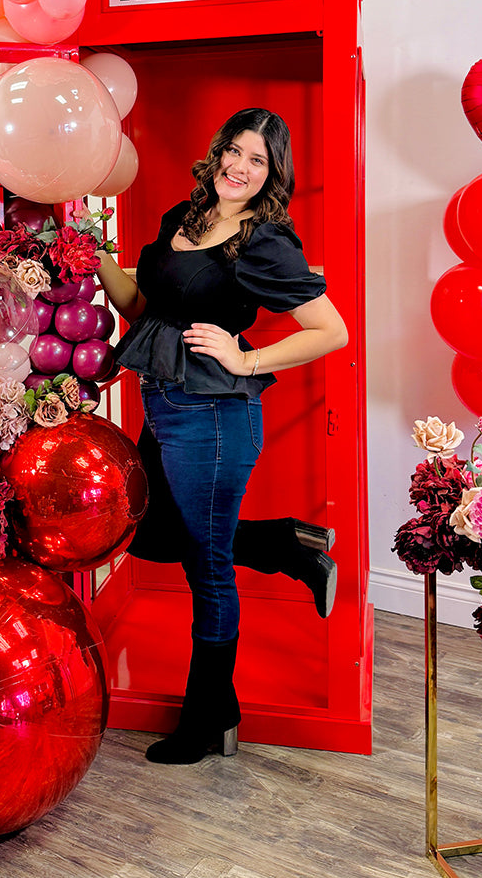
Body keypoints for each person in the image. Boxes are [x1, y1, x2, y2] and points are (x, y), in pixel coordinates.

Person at [95, 108, 349, 765]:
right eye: (234, 150)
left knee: (206, 570)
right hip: (162, 404)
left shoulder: (263, 242)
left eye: (257, 159)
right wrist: (94, 257)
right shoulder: (184, 217)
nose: (239, 166)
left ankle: (207, 720)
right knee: (148, 534)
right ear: (218, 153)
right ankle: (284, 544)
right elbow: (142, 309)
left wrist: (246, 358)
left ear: (271, 174)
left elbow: (331, 330)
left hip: (212, 418)